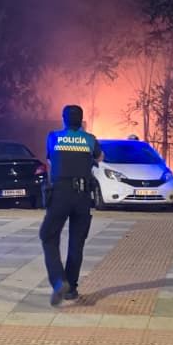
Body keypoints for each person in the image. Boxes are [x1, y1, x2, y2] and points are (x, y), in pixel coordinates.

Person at [39, 104, 101, 306]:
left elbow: (50, 160)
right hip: (83, 195)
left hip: (60, 194)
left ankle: (59, 282)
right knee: (76, 243)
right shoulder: (90, 139)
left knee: (48, 235)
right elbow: (100, 157)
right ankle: (71, 289)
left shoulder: (54, 137)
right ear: (81, 121)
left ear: (64, 119)